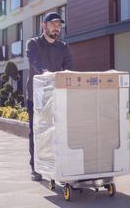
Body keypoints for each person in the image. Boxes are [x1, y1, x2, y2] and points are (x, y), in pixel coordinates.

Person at [26, 12, 73, 181]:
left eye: (59, 25)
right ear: (43, 25)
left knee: (59, 132)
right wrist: (46, 73)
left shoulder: (63, 47)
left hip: (57, 97)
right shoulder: (33, 44)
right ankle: (36, 167)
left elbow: (69, 69)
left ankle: (56, 164)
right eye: (53, 24)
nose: (57, 27)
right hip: (36, 98)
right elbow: (34, 62)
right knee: (37, 132)